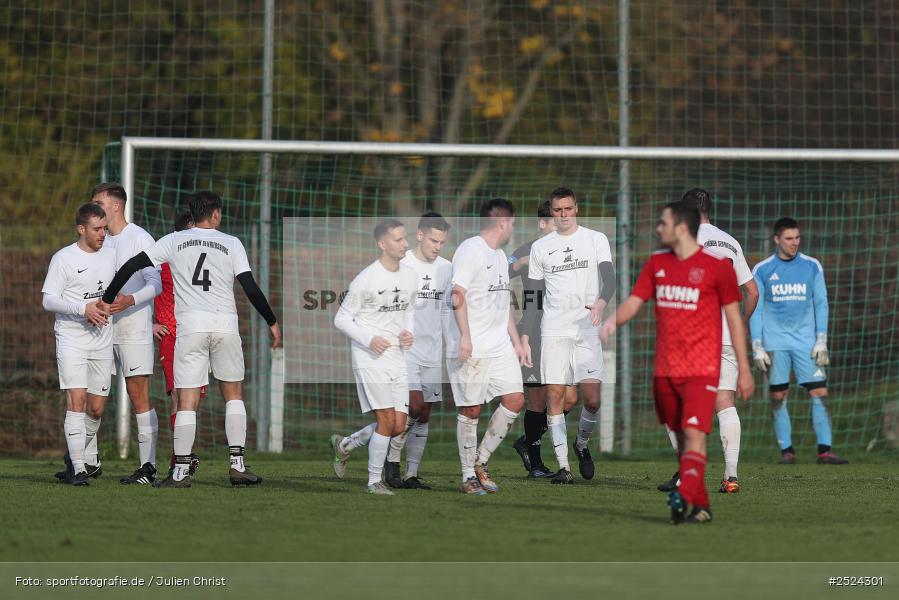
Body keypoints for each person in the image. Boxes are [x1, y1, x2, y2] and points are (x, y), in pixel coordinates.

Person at [100, 190, 281, 488]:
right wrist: (272, 322)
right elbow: (250, 287)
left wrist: (108, 299)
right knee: (233, 394)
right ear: (216, 214)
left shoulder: (174, 240)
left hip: (190, 329)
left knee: (186, 399)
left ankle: (181, 471)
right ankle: (237, 466)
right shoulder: (232, 243)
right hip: (225, 326)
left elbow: (131, 265)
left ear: (193, 214)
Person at [600, 201, 754, 524]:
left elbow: (735, 321)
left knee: (695, 434)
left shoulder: (718, 269)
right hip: (665, 370)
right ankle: (700, 503)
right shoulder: (656, 264)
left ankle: (684, 495)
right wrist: (612, 322)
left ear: (681, 227)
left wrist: (744, 368)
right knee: (683, 440)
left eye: (663, 223)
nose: (658, 229)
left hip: (701, 368)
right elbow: (634, 301)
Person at [657, 188, 760, 495]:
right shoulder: (730, 241)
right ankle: (730, 476)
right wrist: (740, 322)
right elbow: (752, 291)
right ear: (710, 211)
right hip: (727, 334)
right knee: (724, 404)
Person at [526, 188, 615, 484]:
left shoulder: (595, 239)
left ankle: (581, 445)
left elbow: (610, 278)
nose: (563, 215)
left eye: (568, 209)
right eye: (557, 210)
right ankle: (563, 467)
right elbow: (533, 296)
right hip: (553, 330)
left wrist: (602, 302)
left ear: (576, 208)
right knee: (554, 396)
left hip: (586, 329)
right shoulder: (541, 247)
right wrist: (527, 335)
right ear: (551, 212)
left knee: (591, 400)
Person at [749, 217, 848, 465]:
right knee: (778, 396)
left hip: (806, 343)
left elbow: (821, 303)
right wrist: (757, 345)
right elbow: (757, 310)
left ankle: (825, 451)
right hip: (776, 343)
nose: (795, 243)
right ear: (776, 240)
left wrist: (821, 340)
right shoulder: (762, 270)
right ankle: (787, 452)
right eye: (789, 238)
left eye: (797, 238)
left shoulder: (812, 266)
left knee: (820, 392)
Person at [445, 198, 527, 495]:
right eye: (513, 223)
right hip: (473, 345)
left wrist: (517, 343)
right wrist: (465, 336)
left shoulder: (500, 254)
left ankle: (480, 462)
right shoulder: (470, 250)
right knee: (471, 409)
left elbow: (503, 304)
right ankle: (467, 476)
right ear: (503, 223)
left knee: (515, 400)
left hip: (499, 345)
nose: (513, 228)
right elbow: (457, 294)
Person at [331, 219, 417, 495]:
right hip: (370, 358)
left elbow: (409, 312)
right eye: (399, 239)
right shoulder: (366, 279)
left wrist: (407, 332)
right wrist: (369, 339)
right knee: (387, 422)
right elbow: (341, 319)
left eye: (406, 238)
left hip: (396, 356)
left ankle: (346, 445)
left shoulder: (410, 276)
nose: (405, 244)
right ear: (382, 244)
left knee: (399, 425)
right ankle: (373, 481)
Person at [91, 183, 163, 485]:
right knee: (93, 398)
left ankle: (148, 467)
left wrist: (129, 300)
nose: (94, 207)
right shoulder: (99, 239)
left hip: (134, 328)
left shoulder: (140, 238)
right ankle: (86, 461)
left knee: (138, 395)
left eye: (99, 202)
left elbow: (155, 283)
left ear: (116, 206)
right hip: (101, 329)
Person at [43, 203, 117, 486]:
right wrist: (82, 309)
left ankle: (73, 454)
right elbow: (48, 299)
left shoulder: (111, 255)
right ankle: (78, 467)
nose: (103, 234)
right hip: (72, 339)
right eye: (97, 229)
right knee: (77, 401)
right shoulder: (63, 258)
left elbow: (116, 291)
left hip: (102, 340)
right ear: (81, 229)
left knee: (96, 409)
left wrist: (116, 302)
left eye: (105, 228)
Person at [383, 213, 452, 490]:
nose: (438, 246)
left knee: (424, 415)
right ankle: (392, 461)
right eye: (434, 240)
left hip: (432, 351)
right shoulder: (401, 264)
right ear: (420, 235)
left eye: (442, 242)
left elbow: (447, 310)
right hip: (404, 352)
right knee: (414, 406)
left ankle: (411, 474)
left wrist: (453, 344)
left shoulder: (447, 268)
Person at [508, 199, 567, 478]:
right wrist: (517, 263)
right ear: (543, 223)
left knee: (569, 398)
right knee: (536, 398)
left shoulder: (568, 248)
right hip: (532, 329)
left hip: (562, 330)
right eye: (554, 221)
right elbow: (502, 270)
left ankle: (525, 442)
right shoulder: (525, 250)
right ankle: (536, 462)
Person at [153, 210, 202, 476]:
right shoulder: (163, 260)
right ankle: (179, 461)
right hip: (171, 336)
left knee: (192, 402)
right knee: (179, 399)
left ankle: (183, 457)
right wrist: (148, 324)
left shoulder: (202, 263)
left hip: (197, 335)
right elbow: (137, 286)